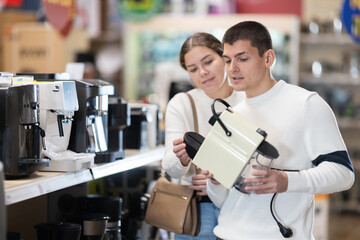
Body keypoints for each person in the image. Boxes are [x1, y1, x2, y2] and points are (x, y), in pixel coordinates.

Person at [204, 21, 355, 240]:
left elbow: (343, 174)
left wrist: (286, 181)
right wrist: (215, 181)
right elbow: (222, 200)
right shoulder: (230, 116)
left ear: (268, 59)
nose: (232, 69)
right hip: (226, 235)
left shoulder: (306, 104)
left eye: (243, 58)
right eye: (227, 60)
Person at [161, 32, 244, 239]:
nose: (203, 72)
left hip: (241, 207)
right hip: (197, 211)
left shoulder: (247, 100)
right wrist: (180, 158)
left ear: (224, 57)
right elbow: (171, 169)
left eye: (208, 62)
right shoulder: (181, 104)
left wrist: (218, 181)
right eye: (193, 69)